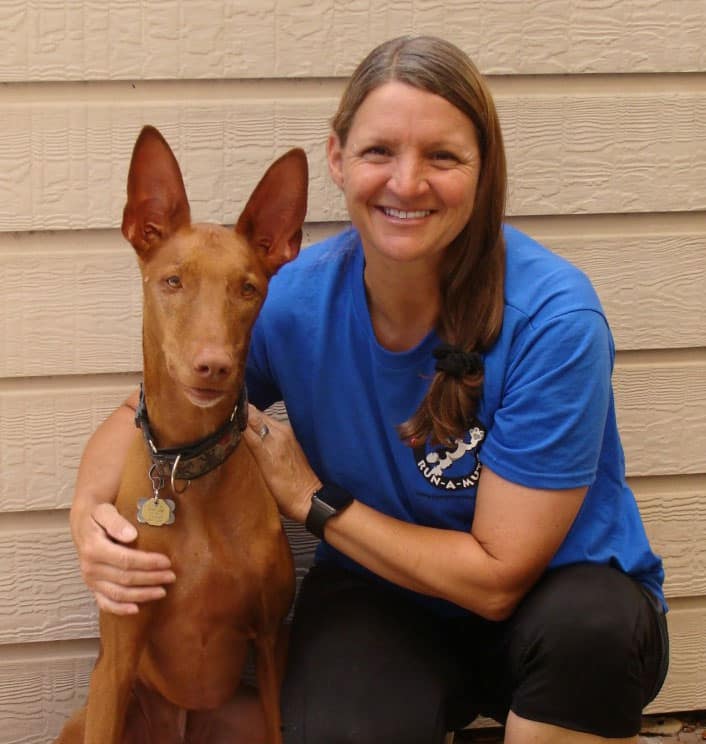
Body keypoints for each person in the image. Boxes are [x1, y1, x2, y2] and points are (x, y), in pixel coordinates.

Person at [71, 36, 668, 744]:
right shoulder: (289, 302)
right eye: (380, 152)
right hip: (387, 598)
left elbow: (497, 577)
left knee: (588, 635)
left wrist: (313, 502)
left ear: (484, 170)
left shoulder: (553, 319)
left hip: (555, 601)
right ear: (338, 161)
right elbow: (149, 411)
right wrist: (87, 515)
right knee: (337, 724)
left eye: (441, 156)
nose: (406, 183)